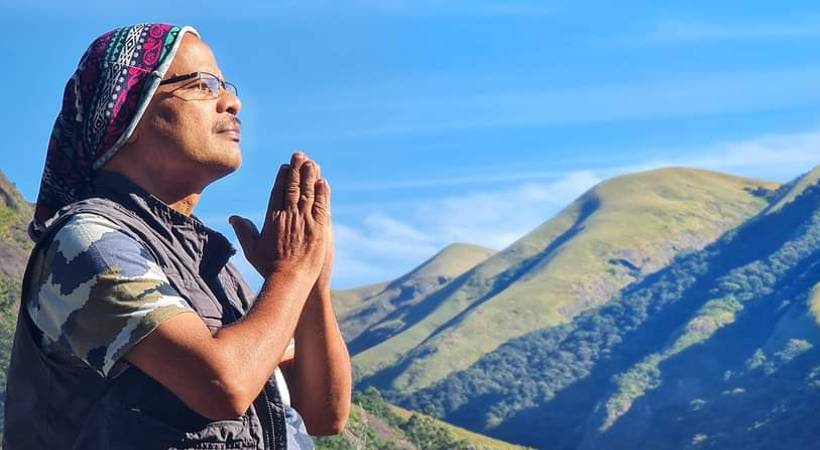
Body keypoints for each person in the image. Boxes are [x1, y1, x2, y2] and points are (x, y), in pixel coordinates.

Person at [3, 23, 351, 450]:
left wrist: (311, 281)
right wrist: (290, 272)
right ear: (128, 112)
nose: (233, 102)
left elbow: (323, 412)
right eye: (202, 85)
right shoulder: (87, 243)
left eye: (224, 86)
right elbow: (222, 384)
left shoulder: (213, 270)